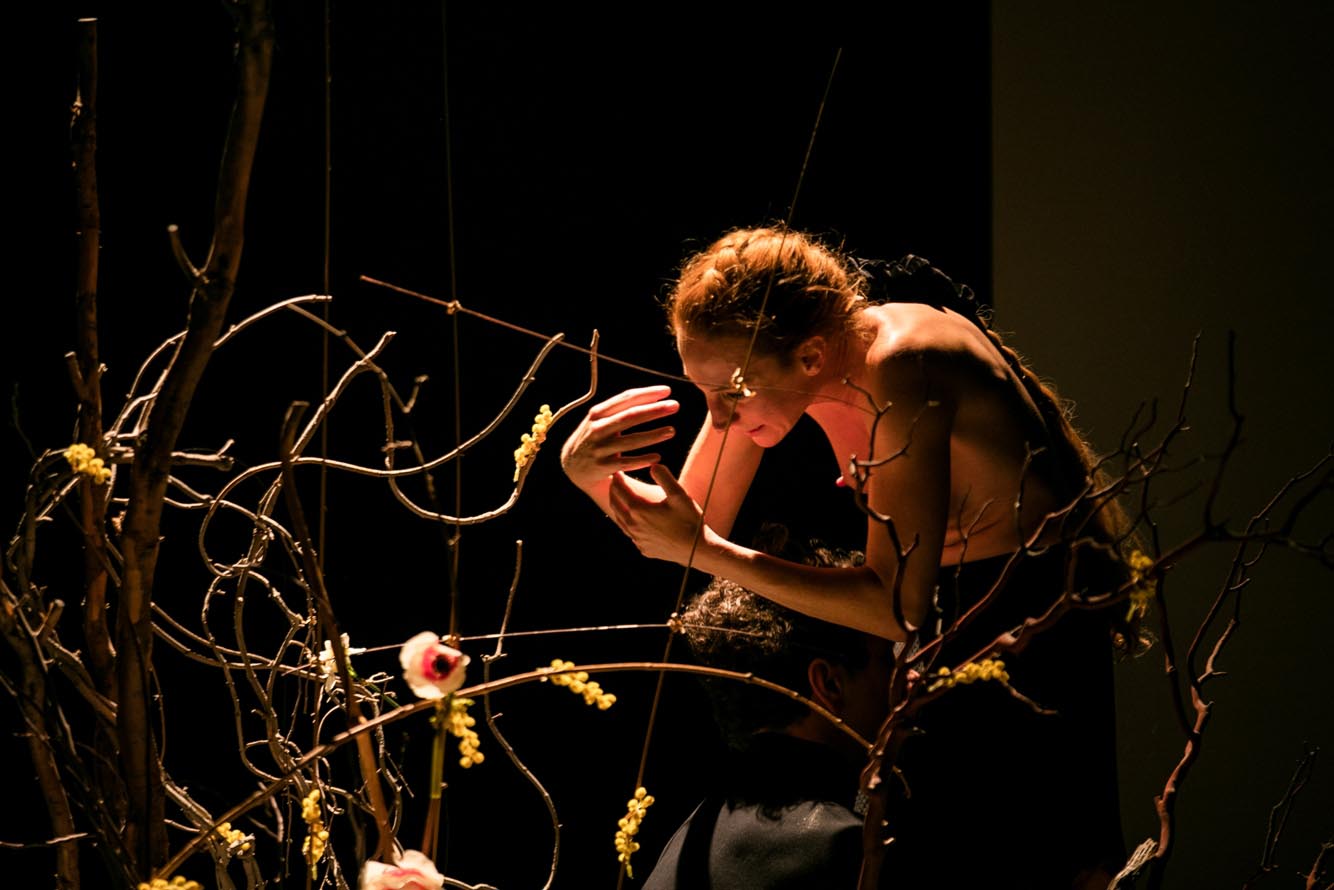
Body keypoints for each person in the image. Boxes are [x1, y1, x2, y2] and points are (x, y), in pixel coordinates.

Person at [561, 227, 1130, 886]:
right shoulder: (802, 363)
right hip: (943, 629)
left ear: (808, 356)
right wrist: (590, 477)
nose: (716, 418)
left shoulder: (904, 363)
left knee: (1022, 867)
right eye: (703, 392)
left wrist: (708, 550)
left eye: (732, 393)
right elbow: (695, 521)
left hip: (1027, 631)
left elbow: (895, 608)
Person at [643, 536, 892, 890]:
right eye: (887, 660)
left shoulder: (684, 843)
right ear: (829, 684)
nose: (911, 678)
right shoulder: (848, 851)